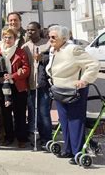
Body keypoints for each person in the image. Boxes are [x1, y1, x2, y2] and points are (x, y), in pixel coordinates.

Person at [46, 25, 100, 164]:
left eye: (53, 37)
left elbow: (93, 64)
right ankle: (68, 149)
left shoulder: (73, 49)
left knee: (75, 121)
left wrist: (84, 80)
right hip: (59, 90)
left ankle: (78, 152)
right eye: (49, 36)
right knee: (64, 121)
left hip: (74, 90)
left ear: (64, 38)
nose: (50, 39)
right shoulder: (54, 50)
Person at [0, 28, 30, 148]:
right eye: (5, 37)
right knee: (6, 113)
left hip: (18, 86)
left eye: (10, 37)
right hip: (4, 87)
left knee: (20, 113)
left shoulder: (20, 52)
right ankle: (9, 137)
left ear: (15, 39)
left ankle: (21, 138)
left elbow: (26, 70)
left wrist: (14, 75)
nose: (7, 40)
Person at [21, 22, 52, 147]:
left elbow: (53, 59)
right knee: (33, 113)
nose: (30, 32)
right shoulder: (25, 47)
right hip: (31, 85)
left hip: (44, 85)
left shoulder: (48, 44)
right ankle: (36, 136)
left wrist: (42, 58)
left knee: (44, 112)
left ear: (39, 30)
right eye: (28, 30)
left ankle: (47, 138)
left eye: (33, 30)